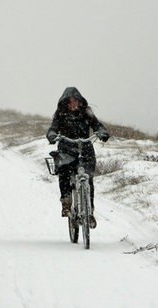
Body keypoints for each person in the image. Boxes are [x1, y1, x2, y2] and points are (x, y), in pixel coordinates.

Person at [46, 87, 109, 228]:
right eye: (70, 101)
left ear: (80, 101)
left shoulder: (87, 112)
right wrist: (52, 135)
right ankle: (66, 202)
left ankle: (90, 212)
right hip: (66, 149)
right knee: (64, 172)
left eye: (75, 100)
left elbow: (97, 125)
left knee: (88, 178)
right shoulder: (60, 113)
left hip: (85, 149)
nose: (73, 103)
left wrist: (101, 132)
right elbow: (53, 127)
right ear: (65, 102)